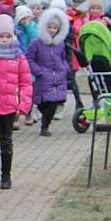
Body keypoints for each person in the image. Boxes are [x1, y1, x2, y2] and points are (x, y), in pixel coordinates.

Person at [0, 16, 32, 191]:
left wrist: (23, 104)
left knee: (7, 142)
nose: (4, 39)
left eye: (7, 36)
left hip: (10, 106)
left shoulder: (18, 57)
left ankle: (6, 176)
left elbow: (25, 82)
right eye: (0, 36)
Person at [26, 8, 71, 137]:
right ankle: (43, 118)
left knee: (53, 103)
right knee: (42, 102)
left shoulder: (60, 43)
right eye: (49, 27)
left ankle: (45, 126)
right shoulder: (36, 43)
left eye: (55, 28)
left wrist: (65, 69)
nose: (52, 30)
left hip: (58, 77)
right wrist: (38, 71)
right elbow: (29, 59)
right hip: (43, 77)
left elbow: (62, 58)